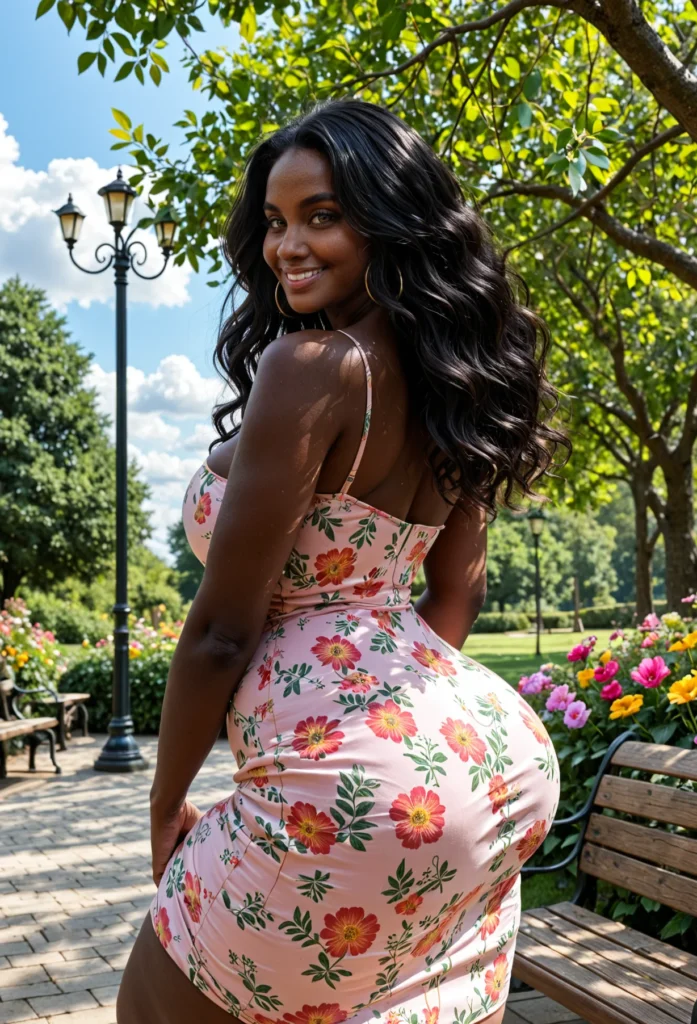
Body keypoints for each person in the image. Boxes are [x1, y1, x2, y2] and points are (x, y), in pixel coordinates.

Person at [117, 98, 569, 1024]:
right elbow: (457, 589)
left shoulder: (313, 367)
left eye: (322, 216)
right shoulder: (457, 376)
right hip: (489, 768)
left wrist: (166, 807)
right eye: (275, 222)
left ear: (390, 219)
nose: (288, 245)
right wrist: (408, 733)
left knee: (146, 1009)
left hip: (353, 792)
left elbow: (219, 630)